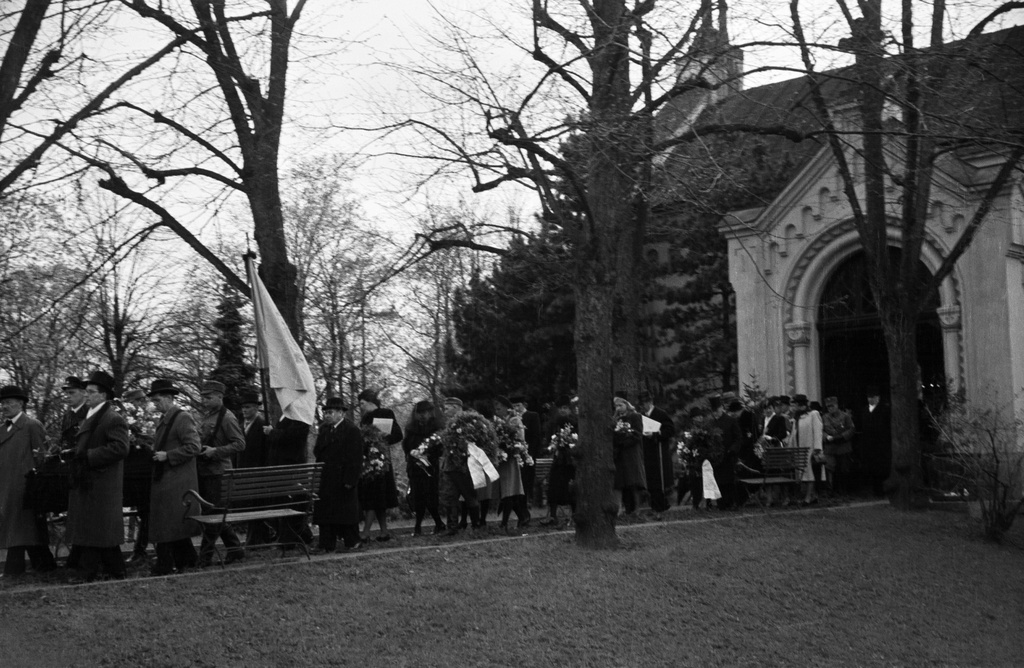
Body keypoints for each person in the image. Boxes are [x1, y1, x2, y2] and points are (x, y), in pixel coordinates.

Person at [64, 370, 130, 582]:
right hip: (90, 479)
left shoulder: (112, 418)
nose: (87, 395)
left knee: (95, 527)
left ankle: (87, 572)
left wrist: (88, 455)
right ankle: (116, 570)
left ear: (103, 395)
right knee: (99, 529)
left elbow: (120, 448)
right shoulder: (92, 415)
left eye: (91, 392)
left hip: (102, 480)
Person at [0, 385, 57, 577]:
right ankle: (43, 565)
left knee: (24, 526)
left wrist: (37, 484)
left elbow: (42, 457)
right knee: (24, 528)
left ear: (21, 404)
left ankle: (15, 569)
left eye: (8, 402)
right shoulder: (2, 429)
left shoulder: (31, 425)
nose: (4, 406)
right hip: (7, 486)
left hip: (26, 486)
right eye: (2, 403)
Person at [147, 379, 201, 576]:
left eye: (158, 400)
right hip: (169, 478)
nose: (155, 404)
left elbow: (194, 446)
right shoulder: (165, 419)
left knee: (169, 521)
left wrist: (168, 455)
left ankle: (165, 563)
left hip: (178, 480)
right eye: (154, 401)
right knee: (171, 522)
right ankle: (187, 560)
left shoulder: (182, 418)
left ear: (170, 398)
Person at [195, 380, 246, 566]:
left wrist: (215, 452)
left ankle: (204, 557)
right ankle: (236, 550)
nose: (205, 401)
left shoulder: (227, 418)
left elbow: (240, 443)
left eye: (208, 397)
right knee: (214, 513)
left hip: (219, 473)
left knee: (213, 517)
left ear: (219, 397)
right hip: (207, 472)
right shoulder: (210, 415)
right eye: (203, 397)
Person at [313, 397, 364, 552]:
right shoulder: (324, 430)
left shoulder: (351, 430)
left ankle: (353, 541)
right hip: (327, 476)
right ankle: (326, 544)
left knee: (347, 512)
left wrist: (351, 479)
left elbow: (356, 457)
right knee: (325, 511)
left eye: (331, 412)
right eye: (325, 412)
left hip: (344, 476)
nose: (327, 415)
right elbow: (317, 452)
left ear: (341, 413)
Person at [357, 389, 402, 541]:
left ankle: (366, 532)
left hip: (381, 461)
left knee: (375, 496)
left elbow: (398, 435)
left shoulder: (386, 413)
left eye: (362, 403)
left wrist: (382, 439)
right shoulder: (364, 419)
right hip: (368, 460)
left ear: (370, 402)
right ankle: (383, 531)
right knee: (375, 496)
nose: (361, 407)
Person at [122, 387, 156, 565]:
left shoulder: (149, 419)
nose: (141, 403)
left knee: (147, 512)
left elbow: (152, 441)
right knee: (145, 512)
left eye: (142, 400)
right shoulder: (125, 419)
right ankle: (141, 550)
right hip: (131, 474)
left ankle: (141, 550)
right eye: (138, 400)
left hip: (145, 473)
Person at [402, 400, 446, 536]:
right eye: (420, 413)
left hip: (430, 466)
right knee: (417, 495)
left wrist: (429, 453)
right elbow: (407, 446)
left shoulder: (435, 429)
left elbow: (440, 448)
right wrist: (413, 454)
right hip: (415, 466)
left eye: (426, 412)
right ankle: (418, 525)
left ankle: (438, 523)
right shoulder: (411, 429)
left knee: (431, 495)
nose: (423, 415)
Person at [236, 389, 272, 545]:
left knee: (257, 505)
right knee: (249, 506)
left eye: (249, 407)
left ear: (256, 408)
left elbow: (267, 451)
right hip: (243, 472)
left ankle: (258, 537)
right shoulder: (240, 425)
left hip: (257, 472)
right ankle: (258, 537)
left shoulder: (263, 424)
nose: (245, 410)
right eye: (243, 407)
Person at [493, 395, 531, 531]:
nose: (496, 411)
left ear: (505, 408)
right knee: (508, 491)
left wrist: (508, 445)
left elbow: (519, 439)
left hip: (510, 459)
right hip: (503, 459)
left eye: (499, 408)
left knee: (508, 491)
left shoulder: (514, 420)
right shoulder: (502, 421)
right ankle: (522, 517)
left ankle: (504, 523)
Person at [637, 390, 676, 514]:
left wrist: (656, 434)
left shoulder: (660, 414)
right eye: (641, 404)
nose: (642, 406)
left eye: (644, 403)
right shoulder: (641, 416)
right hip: (648, 452)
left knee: (659, 480)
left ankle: (660, 505)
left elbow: (670, 430)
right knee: (650, 479)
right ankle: (654, 504)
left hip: (659, 451)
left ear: (650, 402)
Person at [542, 395, 578, 526]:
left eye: (565, 408)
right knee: (553, 487)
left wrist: (570, 445)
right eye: (560, 408)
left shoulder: (575, 422)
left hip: (570, 461)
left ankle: (574, 515)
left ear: (569, 409)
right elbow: (549, 439)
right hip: (558, 460)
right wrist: (551, 446)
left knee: (571, 488)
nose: (562, 411)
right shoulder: (554, 423)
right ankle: (552, 515)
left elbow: (577, 439)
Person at [613, 393, 646, 515]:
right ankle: (626, 508)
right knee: (623, 482)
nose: (618, 408)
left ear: (626, 404)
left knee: (634, 481)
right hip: (620, 453)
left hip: (632, 452)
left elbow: (637, 434)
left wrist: (625, 441)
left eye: (620, 405)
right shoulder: (616, 419)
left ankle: (637, 508)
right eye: (616, 406)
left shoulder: (635, 416)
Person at [789, 393, 824, 505]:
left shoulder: (813, 414)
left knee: (810, 473)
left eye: (794, 405)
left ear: (801, 405)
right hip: (799, 449)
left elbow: (818, 431)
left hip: (811, 449)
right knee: (803, 474)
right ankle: (812, 495)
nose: (792, 408)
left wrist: (817, 448)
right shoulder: (797, 417)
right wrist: (790, 448)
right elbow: (794, 434)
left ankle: (809, 497)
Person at [858, 386, 892, 497]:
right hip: (869, 444)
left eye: (873, 397)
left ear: (878, 398)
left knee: (882, 468)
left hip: (881, 443)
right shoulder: (864, 411)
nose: (870, 399)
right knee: (872, 468)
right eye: (869, 397)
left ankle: (884, 490)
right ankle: (876, 490)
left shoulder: (885, 410)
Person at [511, 395, 543, 507]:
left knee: (527, 479)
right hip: (515, 453)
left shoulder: (532, 416)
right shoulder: (511, 419)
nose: (516, 408)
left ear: (524, 405)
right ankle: (517, 501)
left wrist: (531, 454)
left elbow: (536, 436)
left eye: (518, 405)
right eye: (514, 406)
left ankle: (526, 501)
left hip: (528, 453)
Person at [711, 397, 743, 510]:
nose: (715, 413)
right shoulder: (712, 423)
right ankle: (722, 503)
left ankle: (732, 502)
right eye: (713, 411)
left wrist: (732, 449)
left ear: (721, 408)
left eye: (717, 410)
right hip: (717, 457)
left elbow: (738, 438)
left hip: (729, 455)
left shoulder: (731, 421)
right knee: (719, 480)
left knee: (729, 481)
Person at [822, 396, 855, 496]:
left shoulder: (845, 416)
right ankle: (831, 490)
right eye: (828, 407)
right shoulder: (825, 417)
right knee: (830, 468)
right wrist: (826, 436)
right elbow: (821, 430)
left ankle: (843, 490)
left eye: (832, 406)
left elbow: (851, 429)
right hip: (830, 447)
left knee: (844, 469)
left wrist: (841, 436)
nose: (830, 408)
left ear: (837, 405)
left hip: (843, 446)